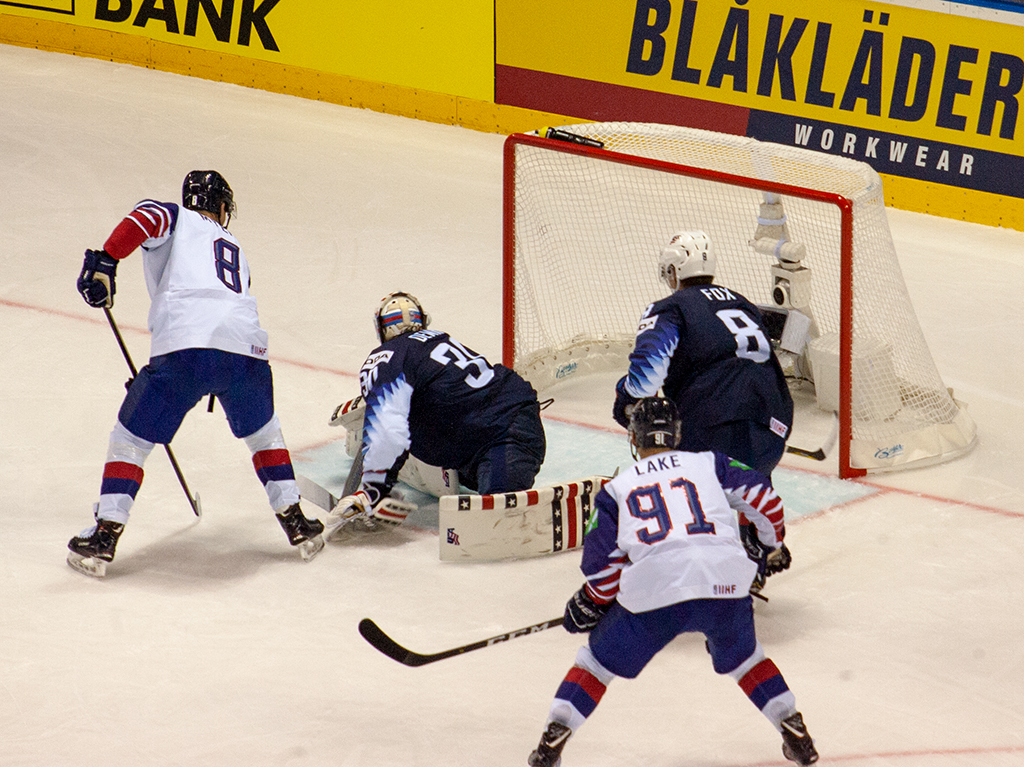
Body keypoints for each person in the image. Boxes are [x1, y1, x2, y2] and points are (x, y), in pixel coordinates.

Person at [527, 397, 816, 767]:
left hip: (655, 592)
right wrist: (766, 544)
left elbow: (602, 565)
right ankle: (791, 724)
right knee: (747, 660)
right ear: (677, 435)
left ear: (634, 438)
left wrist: (591, 602)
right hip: (725, 584)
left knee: (596, 665)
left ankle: (555, 735)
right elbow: (766, 501)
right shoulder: (710, 463)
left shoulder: (617, 490)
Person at [68, 170, 324, 577]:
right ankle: (296, 521)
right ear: (221, 206)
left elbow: (145, 216)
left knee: (131, 440)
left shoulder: (177, 218)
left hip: (185, 350)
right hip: (247, 353)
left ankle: (105, 535)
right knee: (265, 435)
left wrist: (107, 260)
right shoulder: (235, 247)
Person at [612, 230, 795, 586]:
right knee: (745, 471)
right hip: (774, 427)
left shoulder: (670, 308)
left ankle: (683, 546)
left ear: (674, 271)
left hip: (713, 428)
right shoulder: (743, 303)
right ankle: (756, 543)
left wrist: (625, 401)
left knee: (645, 416)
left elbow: (645, 380)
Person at [325, 291, 546, 534]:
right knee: (491, 511)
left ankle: (378, 463)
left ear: (382, 328)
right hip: (507, 427)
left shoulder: (385, 356)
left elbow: (387, 422)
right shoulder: (437, 340)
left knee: (495, 525)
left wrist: (372, 492)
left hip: (499, 434)